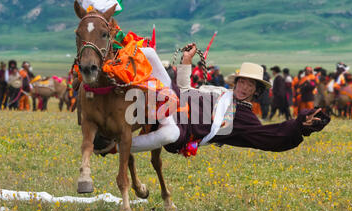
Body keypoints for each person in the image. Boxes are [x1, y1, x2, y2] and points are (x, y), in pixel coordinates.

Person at [94, 44, 330, 156]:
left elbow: (270, 137)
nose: (244, 87)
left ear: (255, 91)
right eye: (242, 81)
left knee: (168, 135)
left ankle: (113, 147)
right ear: (236, 82)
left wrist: (300, 125)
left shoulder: (245, 118)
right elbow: (185, 89)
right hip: (172, 100)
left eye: (250, 85)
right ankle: (105, 64)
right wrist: (186, 60)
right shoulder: (218, 91)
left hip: (182, 130)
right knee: (148, 53)